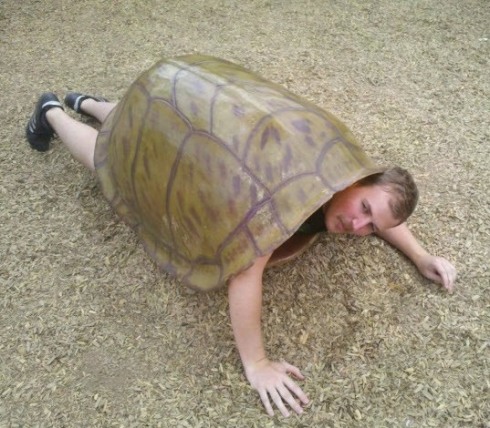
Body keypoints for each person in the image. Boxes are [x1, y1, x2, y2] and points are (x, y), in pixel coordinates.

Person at [26, 92, 457, 418]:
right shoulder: (288, 198)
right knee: (113, 160)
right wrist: (257, 364)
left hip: (205, 121)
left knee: (149, 118)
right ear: (358, 179)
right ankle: (53, 112)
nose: (357, 226)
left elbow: (384, 213)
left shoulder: (349, 182)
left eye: (370, 227)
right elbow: (246, 271)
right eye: (362, 209)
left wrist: (421, 256)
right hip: (208, 144)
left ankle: (88, 101)